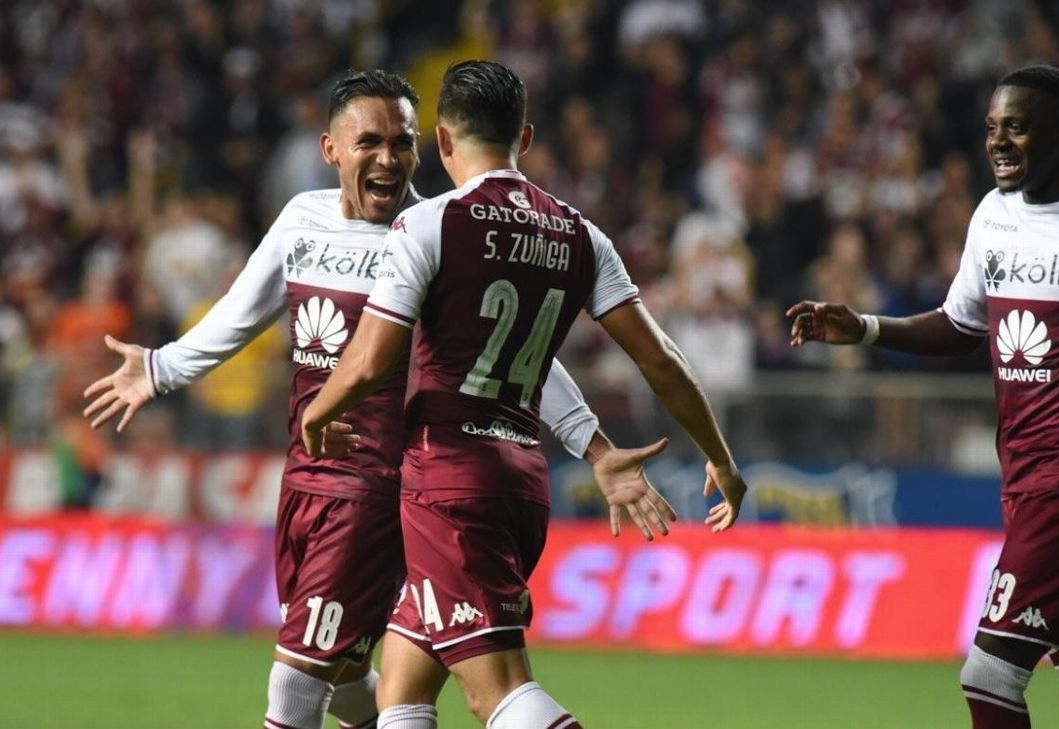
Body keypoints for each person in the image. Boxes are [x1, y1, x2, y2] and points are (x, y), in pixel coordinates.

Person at [82, 69, 676, 729]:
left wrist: (592, 444)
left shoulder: (433, 231)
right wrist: (160, 367)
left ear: (427, 146)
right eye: (370, 142)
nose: (389, 159)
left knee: (295, 682)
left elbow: (509, 360)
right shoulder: (302, 219)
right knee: (354, 682)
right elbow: (238, 313)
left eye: (402, 143)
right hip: (307, 477)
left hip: (380, 485)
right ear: (331, 149)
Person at [300, 60, 747, 729]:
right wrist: (719, 457)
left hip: (448, 481)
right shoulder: (581, 235)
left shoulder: (429, 226)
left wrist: (316, 412)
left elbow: (367, 363)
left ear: (441, 141)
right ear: (525, 137)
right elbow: (661, 359)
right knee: (401, 690)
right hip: (521, 481)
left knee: (499, 692)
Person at [788, 65, 1059, 729]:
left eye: (1017, 127)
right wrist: (865, 328)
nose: (999, 141)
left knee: (989, 674)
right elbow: (958, 325)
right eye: (993, 127)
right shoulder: (994, 215)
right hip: (1025, 477)